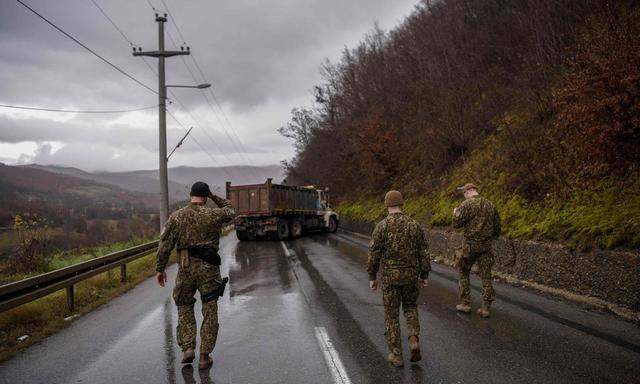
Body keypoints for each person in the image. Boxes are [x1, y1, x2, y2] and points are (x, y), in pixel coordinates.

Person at [156, 181, 235, 370]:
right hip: (208, 270)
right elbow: (230, 210)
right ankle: (204, 356)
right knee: (209, 307)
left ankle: (188, 347)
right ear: (205, 196)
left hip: (185, 268)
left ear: (191, 195)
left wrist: (160, 269)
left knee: (184, 304)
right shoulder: (212, 215)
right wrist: (214, 196)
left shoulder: (176, 217)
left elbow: (164, 245)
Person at [367, 190, 431, 368]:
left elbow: (374, 254)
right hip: (411, 276)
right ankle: (413, 338)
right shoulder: (414, 225)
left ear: (387, 205)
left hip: (390, 279)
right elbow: (423, 252)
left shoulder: (382, 226)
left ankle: (396, 355)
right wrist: (424, 275)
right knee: (410, 307)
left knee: (391, 315)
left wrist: (372, 276)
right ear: (402, 204)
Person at [452, 183, 501, 318]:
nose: (464, 195)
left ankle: (465, 303)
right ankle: (486, 308)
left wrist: (455, 213)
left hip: (470, 246)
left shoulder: (466, 205)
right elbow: (497, 229)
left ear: (468, 192)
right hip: (486, 246)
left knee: (463, 271)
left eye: (464, 193)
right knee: (486, 276)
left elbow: (456, 225)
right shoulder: (490, 205)